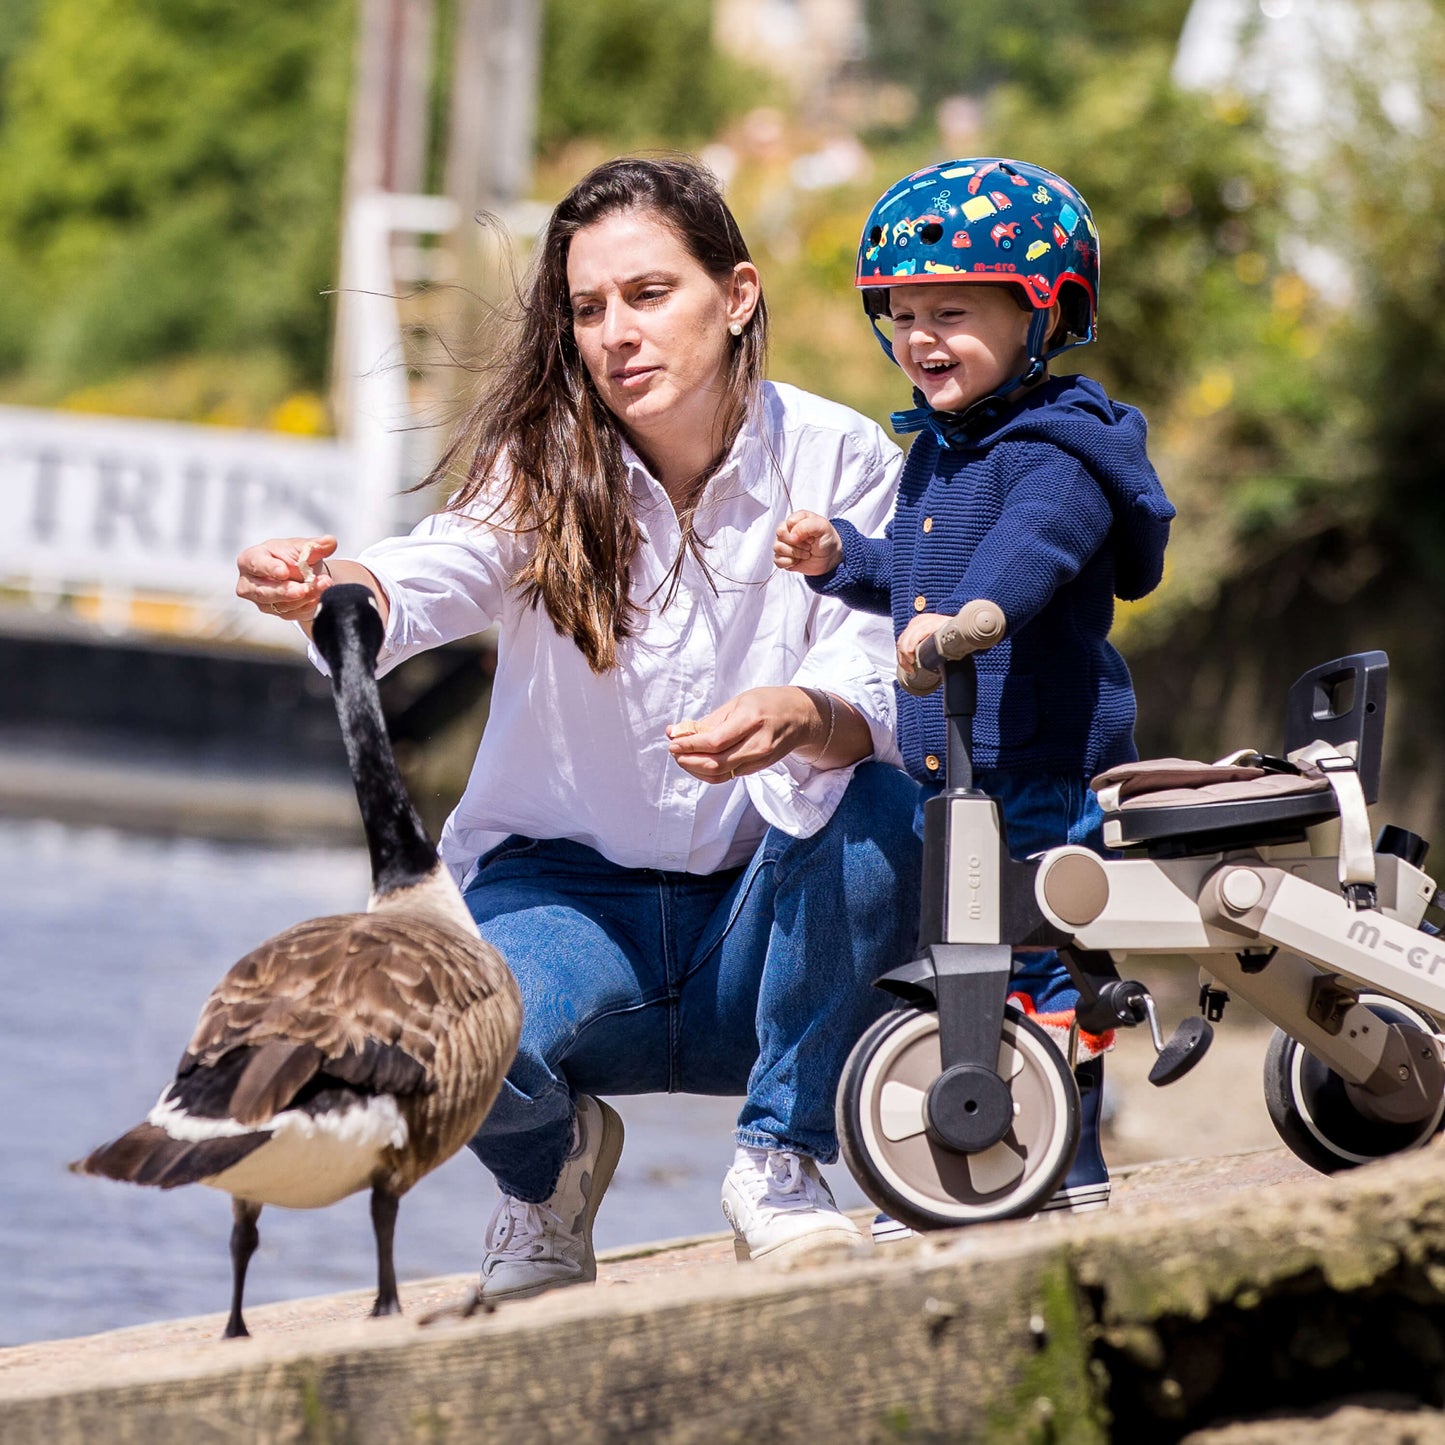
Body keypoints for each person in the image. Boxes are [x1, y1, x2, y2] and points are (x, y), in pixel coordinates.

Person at [235, 155, 922, 1299]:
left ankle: (779, 1162)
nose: (614, 333)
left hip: (767, 928)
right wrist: (337, 588)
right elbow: (437, 567)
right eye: (588, 307)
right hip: (563, 905)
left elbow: (877, 668)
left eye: (647, 294)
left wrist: (807, 713)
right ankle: (549, 1176)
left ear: (737, 294)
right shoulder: (539, 467)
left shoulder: (842, 456)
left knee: (888, 806)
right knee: (407, 1010)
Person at [775, 157, 1176, 1233]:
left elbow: (1025, 559)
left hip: (1036, 758)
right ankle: (988, 1155)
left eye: (951, 310)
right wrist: (840, 560)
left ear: (1044, 312)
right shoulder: (943, 456)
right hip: (955, 761)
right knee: (967, 961)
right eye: (901, 316)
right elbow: (917, 580)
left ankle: (1068, 1151)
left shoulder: (1058, 454)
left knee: (1039, 954)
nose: (919, 339)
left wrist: (972, 620)